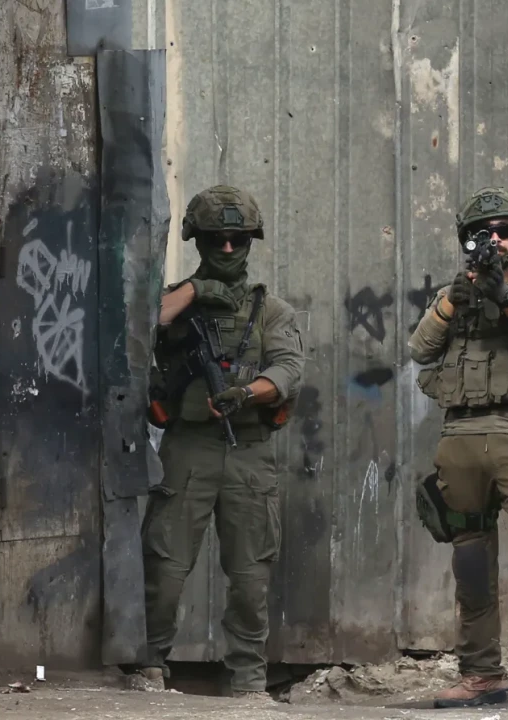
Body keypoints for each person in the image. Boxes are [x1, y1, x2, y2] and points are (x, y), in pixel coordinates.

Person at [137, 185, 305, 701]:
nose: (228, 249)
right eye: (216, 239)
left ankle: (248, 680)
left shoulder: (271, 310)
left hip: (247, 452)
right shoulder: (178, 300)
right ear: (198, 240)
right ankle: (148, 666)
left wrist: (246, 393)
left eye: (237, 240)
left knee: (250, 578)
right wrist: (197, 289)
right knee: (164, 569)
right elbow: (141, 323)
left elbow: (289, 370)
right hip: (188, 450)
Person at [408, 187, 508, 708]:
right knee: (471, 564)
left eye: (503, 231)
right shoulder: (452, 294)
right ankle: (481, 675)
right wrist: (454, 300)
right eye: (484, 233)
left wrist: (504, 297)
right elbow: (419, 348)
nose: (494, 240)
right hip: (461, 434)